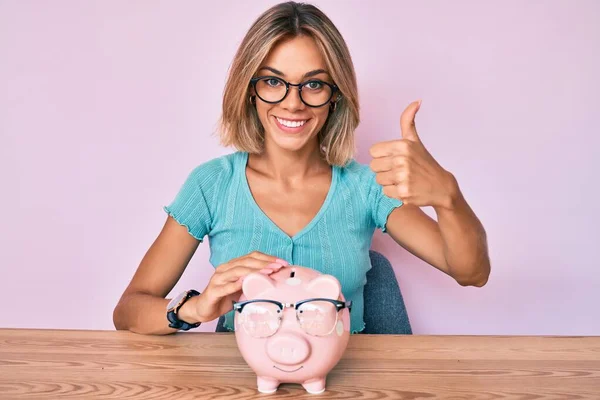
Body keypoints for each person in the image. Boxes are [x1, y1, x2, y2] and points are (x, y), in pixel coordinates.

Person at [113, 1, 490, 336]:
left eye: (313, 84)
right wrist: (194, 307)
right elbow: (128, 309)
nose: (293, 103)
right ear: (249, 89)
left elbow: (471, 272)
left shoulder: (365, 187)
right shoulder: (212, 184)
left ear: (335, 96)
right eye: (274, 81)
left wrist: (448, 196)